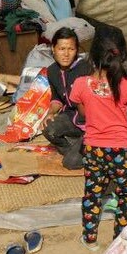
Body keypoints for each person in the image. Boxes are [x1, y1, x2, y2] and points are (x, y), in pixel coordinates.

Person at [69, 33, 127, 250]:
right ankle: (119, 241)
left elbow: (82, 112)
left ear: (92, 58)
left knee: (92, 193)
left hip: (93, 148)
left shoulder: (81, 83)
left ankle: (90, 239)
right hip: (119, 149)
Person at [42, 27, 92, 169]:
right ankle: (79, 148)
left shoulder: (86, 69)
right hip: (71, 117)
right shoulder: (52, 71)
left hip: (92, 123)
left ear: (77, 50)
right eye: (61, 49)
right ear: (53, 49)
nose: (66, 54)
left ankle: (84, 149)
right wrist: (50, 113)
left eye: (71, 49)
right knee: (48, 128)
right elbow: (56, 98)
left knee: (70, 163)